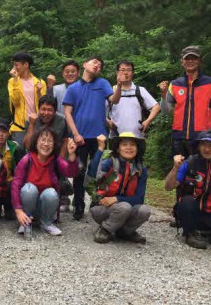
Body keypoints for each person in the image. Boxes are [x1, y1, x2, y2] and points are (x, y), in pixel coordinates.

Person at [63, 55, 124, 220]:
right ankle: (78, 204)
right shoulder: (73, 88)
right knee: (79, 172)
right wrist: (75, 134)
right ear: (85, 64)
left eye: (100, 65)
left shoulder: (102, 84)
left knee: (100, 172)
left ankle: (97, 202)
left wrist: (119, 85)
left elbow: (115, 100)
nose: (98, 65)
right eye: (95, 62)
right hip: (80, 137)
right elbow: (67, 113)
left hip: (99, 138)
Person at [11, 127, 79, 236]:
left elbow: (71, 173)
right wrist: (18, 210)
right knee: (29, 189)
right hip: (27, 206)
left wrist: (71, 154)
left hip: (46, 206)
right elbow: (15, 185)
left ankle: (46, 222)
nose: (46, 144)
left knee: (51, 193)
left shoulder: (55, 160)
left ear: (54, 144)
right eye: (43, 140)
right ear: (36, 142)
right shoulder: (27, 159)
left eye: (50, 141)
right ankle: (25, 222)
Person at [159, 46, 211, 158]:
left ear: (200, 61)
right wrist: (163, 96)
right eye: (187, 58)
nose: (190, 61)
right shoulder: (175, 84)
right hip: (179, 137)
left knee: (201, 168)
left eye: (194, 58)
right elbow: (166, 111)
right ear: (182, 62)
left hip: (203, 137)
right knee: (179, 167)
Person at [86, 133, 151, 244]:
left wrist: (116, 199)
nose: (129, 147)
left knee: (144, 210)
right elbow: (91, 176)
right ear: (118, 149)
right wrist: (100, 148)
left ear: (137, 148)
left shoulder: (141, 169)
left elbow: (139, 199)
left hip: (124, 207)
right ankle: (105, 230)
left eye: (132, 145)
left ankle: (124, 232)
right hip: (101, 208)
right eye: (124, 144)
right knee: (124, 207)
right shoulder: (109, 163)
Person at [107, 60, 160, 150]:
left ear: (132, 73)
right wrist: (107, 121)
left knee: (137, 159)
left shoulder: (140, 90)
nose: (126, 73)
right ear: (117, 72)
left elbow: (156, 107)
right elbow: (98, 111)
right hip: (116, 137)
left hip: (137, 137)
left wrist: (148, 121)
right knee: (115, 159)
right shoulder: (110, 91)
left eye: (129, 70)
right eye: (122, 70)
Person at [8, 52, 46, 145]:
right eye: (13, 65)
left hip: (37, 126)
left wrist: (38, 92)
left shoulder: (40, 82)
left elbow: (44, 105)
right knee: (19, 152)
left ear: (26, 65)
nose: (14, 68)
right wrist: (16, 80)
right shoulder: (12, 82)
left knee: (35, 152)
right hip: (19, 127)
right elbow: (15, 101)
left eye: (16, 65)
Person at [0, 118, 25, 220]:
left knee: (12, 183)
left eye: (4, 131)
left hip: (10, 183)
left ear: (8, 133)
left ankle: (9, 208)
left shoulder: (15, 148)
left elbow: (21, 170)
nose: (0, 135)